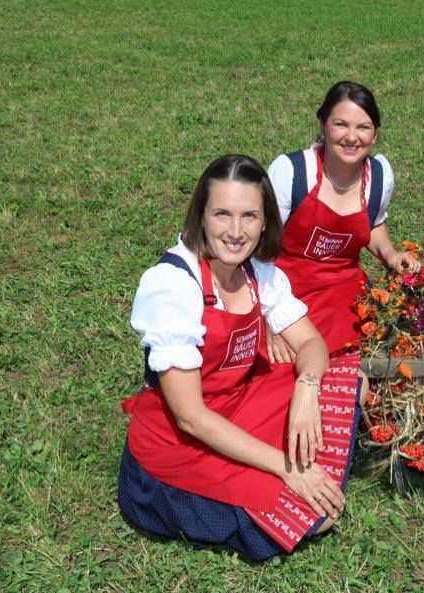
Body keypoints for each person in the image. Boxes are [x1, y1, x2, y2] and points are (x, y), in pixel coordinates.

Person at [118, 155, 360, 561]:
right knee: (310, 515)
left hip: (236, 404)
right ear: (201, 216)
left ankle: (294, 465)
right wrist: (285, 467)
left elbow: (312, 344)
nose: (235, 231)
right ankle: (272, 482)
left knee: (346, 379)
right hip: (179, 443)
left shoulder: (257, 271)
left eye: (249, 216)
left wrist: (306, 387)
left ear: (265, 221)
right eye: (222, 214)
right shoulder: (173, 285)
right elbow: (190, 417)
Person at [266, 81, 420, 367]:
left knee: (355, 366)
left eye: (363, 127)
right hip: (285, 293)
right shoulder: (293, 173)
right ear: (323, 125)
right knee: (282, 374)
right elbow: (255, 250)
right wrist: (268, 318)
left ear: (375, 134)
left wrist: (389, 254)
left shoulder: (379, 176)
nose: (352, 137)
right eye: (341, 125)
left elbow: (373, 223)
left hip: (344, 296)